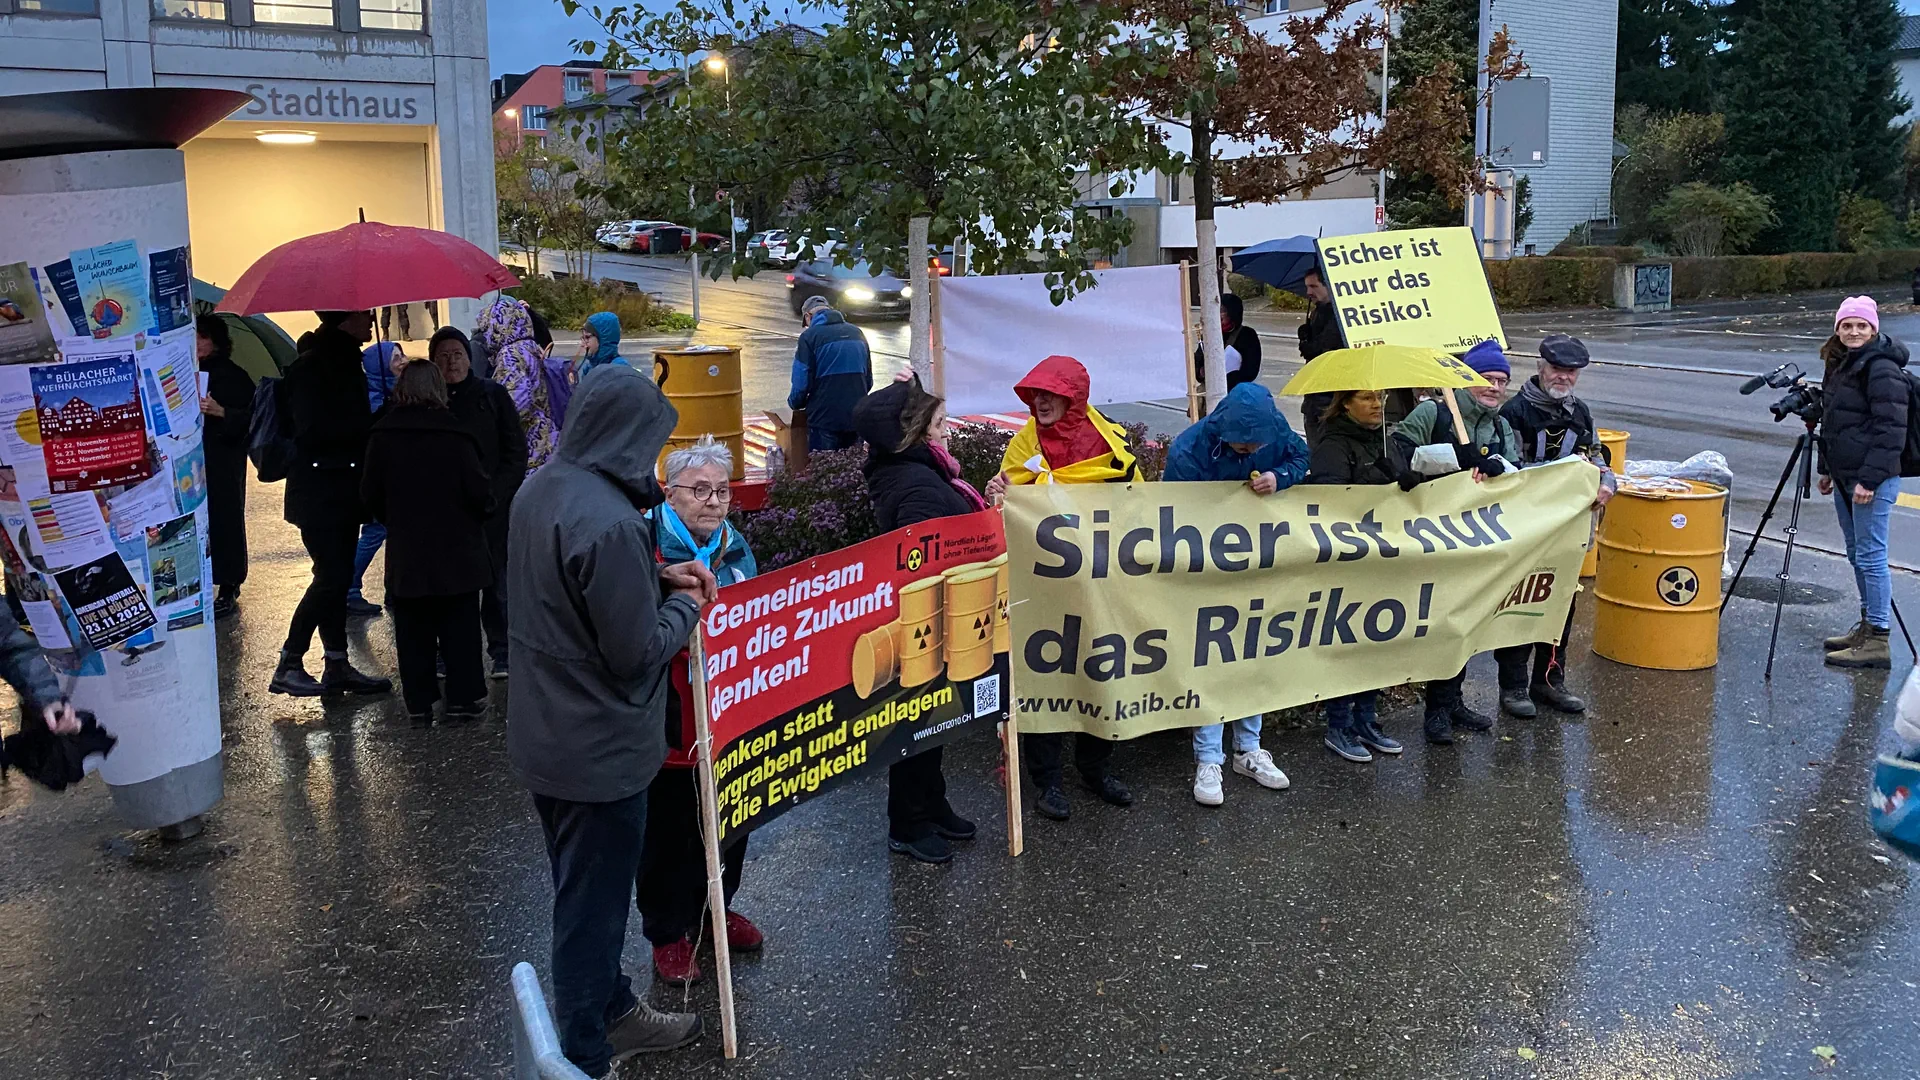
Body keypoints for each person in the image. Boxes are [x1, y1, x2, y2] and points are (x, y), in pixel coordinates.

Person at [507, 363, 717, 1076]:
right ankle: (585, 1054)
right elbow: (638, 653)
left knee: (579, 885)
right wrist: (689, 604)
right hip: (601, 750)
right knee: (591, 910)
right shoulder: (611, 521)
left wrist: (651, 579)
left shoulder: (542, 488)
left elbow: (566, 590)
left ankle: (615, 1008)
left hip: (547, 735)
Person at [983, 356, 1137, 821]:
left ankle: (1096, 769)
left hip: (1098, 580)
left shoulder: (1109, 441)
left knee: (1100, 672)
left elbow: (1136, 505)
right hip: (1043, 583)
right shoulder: (1024, 442)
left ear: (1074, 397)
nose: (1041, 401)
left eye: (1051, 393)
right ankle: (1046, 780)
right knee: (1045, 676)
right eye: (1035, 393)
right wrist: (996, 496)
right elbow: (1007, 501)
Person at [638, 436, 762, 987]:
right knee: (667, 831)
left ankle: (716, 907)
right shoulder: (646, 542)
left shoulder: (736, 545)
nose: (713, 501)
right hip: (666, 717)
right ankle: (668, 932)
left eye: (722, 491)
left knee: (729, 822)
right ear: (671, 492)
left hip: (727, 711)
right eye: (699, 490)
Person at [851, 377, 982, 864]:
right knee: (916, 724)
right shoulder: (916, 486)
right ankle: (907, 822)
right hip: (927, 619)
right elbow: (923, 560)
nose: (948, 433)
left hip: (941, 615)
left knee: (935, 722)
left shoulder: (921, 472)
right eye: (940, 424)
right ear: (916, 435)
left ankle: (933, 802)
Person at [1163, 382, 1308, 804]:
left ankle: (1249, 749)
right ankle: (1209, 758)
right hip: (1205, 569)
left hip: (1255, 564)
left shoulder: (1274, 429)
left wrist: (1278, 477)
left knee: (1250, 652)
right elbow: (1172, 518)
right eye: (1240, 447)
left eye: (1254, 447)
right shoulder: (1188, 452)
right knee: (1211, 658)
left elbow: (1301, 458)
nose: (1247, 453)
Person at [1391, 339, 1517, 745]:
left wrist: (1502, 471)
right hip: (1432, 535)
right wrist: (1455, 458)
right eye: (1487, 378)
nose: (1495, 387)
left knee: (1465, 622)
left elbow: (1519, 476)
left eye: (1502, 381)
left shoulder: (1500, 425)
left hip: (1477, 538)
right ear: (1466, 379)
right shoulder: (1435, 412)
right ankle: (1436, 711)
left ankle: (1453, 700)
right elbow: (1399, 455)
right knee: (1441, 623)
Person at [361, 361, 494, 724]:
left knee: (412, 628)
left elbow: (369, 495)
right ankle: (464, 697)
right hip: (458, 546)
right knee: (461, 625)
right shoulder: (456, 435)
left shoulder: (383, 435)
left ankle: (419, 702)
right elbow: (480, 492)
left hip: (408, 547)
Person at [269, 310, 393, 698]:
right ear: (344, 319)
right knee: (332, 577)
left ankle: (337, 663)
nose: (371, 319)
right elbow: (310, 430)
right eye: (363, 314)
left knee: (334, 577)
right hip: (320, 490)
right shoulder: (313, 367)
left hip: (340, 487)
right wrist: (367, 426)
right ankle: (290, 661)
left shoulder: (344, 359)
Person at [1495, 334, 1617, 716]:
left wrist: (1606, 482)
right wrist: (1564, 477)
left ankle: (1550, 680)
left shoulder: (1580, 412)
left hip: (1569, 528)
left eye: (1571, 372)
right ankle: (1513, 687)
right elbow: (1512, 469)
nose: (1563, 378)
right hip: (1526, 528)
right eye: (1557, 370)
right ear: (1540, 367)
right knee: (1521, 601)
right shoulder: (1514, 412)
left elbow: (1597, 455)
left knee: (1563, 600)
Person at [1307, 389, 1407, 763]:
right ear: (1345, 403)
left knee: (1376, 642)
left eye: (1379, 397)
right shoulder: (1332, 445)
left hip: (1384, 558)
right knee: (1347, 644)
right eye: (1366, 398)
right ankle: (1339, 725)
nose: (1377, 404)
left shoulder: (1387, 441)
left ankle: (1367, 719)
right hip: (1349, 562)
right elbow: (1331, 500)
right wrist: (1372, 483)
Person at [1818, 296, 1910, 669]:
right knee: (1858, 553)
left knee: (1871, 556)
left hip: (1870, 479)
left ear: (1874, 329)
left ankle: (1879, 638)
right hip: (1845, 476)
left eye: (1861, 326)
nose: (1853, 332)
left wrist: (1869, 479)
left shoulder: (1881, 368)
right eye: (1847, 325)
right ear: (1837, 329)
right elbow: (1833, 422)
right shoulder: (1841, 364)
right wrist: (1826, 469)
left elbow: (1892, 431)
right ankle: (1867, 625)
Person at [432, 327, 526, 680]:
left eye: (457, 354)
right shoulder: (430, 401)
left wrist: (496, 493)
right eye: (442, 356)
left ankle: (501, 651)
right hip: (447, 514)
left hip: (492, 509)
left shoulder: (491, 395)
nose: (451, 362)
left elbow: (515, 451)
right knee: (449, 588)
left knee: (497, 584)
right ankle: (446, 652)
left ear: (469, 358)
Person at [196, 314, 253, 619]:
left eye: (201, 337)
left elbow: (252, 420)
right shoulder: (184, 372)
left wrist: (222, 412)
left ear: (216, 341)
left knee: (225, 519)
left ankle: (229, 584)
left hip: (222, 461)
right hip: (191, 462)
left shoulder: (233, 375)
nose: (196, 344)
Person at [347, 340, 407, 619]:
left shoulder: (391, 393)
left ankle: (393, 589)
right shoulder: (374, 400)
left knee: (390, 532)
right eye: (396, 359)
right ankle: (350, 589)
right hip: (378, 481)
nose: (403, 361)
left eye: (402, 355)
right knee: (375, 532)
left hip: (390, 479)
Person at [476, 296, 559, 476]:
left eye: (488, 327)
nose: (487, 333)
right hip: (546, 438)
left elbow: (517, 403)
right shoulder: (530, 346)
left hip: (529, 446)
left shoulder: (510, 355)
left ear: (500, 325)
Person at [790, 295, 873, 452]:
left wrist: (795, 403)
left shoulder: (809, 337)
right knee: (852, 469)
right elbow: (868, 380)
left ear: (808, 316)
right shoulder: (857, 332)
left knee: (824, 469)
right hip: (856, 416)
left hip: (824, 417)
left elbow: (801, 382)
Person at [1193, 293, 1263, 393]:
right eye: (1216, 310)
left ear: (1233, 313)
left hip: (1234, 393)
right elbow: (1198, 359)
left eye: (1223, 311)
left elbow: (1251, 370)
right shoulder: (1210, 333)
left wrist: (1227, 378)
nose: (1219, 315)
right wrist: (1201, 372)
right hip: (1209, 392)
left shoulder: (1247, 335)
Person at [579, 311, 628, 380]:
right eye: (583, 338)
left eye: (587, 337)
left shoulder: (620, 370)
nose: (582, 344)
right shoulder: (589, 368)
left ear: (603, 340)